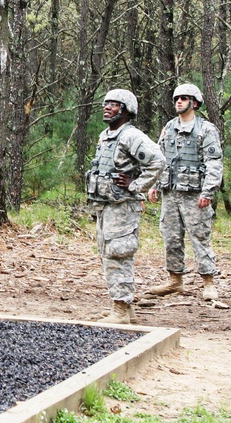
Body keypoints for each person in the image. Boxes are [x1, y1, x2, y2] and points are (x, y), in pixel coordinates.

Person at [85, 89, 165, 324]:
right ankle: (123, 306)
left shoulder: (132, 136)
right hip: (106, 206)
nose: (106, 107)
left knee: (119, 253)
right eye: (106, 103)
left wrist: (136, 185)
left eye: (113, 104)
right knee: (107, 254)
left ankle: (120, 309)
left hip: (122, 207)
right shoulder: (105, 135)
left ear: (126, 109)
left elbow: (158, 161)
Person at [146, 83, 224, 301]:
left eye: (183, 98)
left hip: (195, 195)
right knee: (171, 238)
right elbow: (160, 158)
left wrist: (208, 192)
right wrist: (154, 185)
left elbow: (214, 163)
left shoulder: (206, 129)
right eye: (176, 98)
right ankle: (175, 280)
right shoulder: (169, 127)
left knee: (200, 238)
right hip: (170, 193)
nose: (178, 101)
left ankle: (208, 282)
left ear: (195, 102)